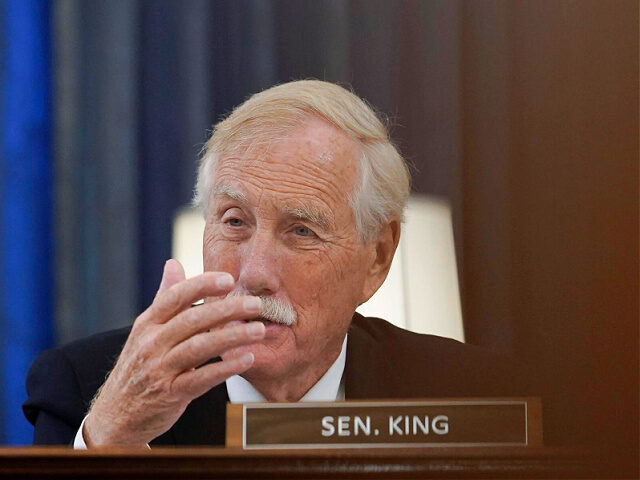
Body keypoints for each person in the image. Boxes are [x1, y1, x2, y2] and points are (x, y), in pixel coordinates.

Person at [23, 80, 527, 447]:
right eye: (235, 222)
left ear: (377, 258)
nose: (254, 273)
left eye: (301, 230)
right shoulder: (84, 390)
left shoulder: (474, 397)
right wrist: (110, 437)